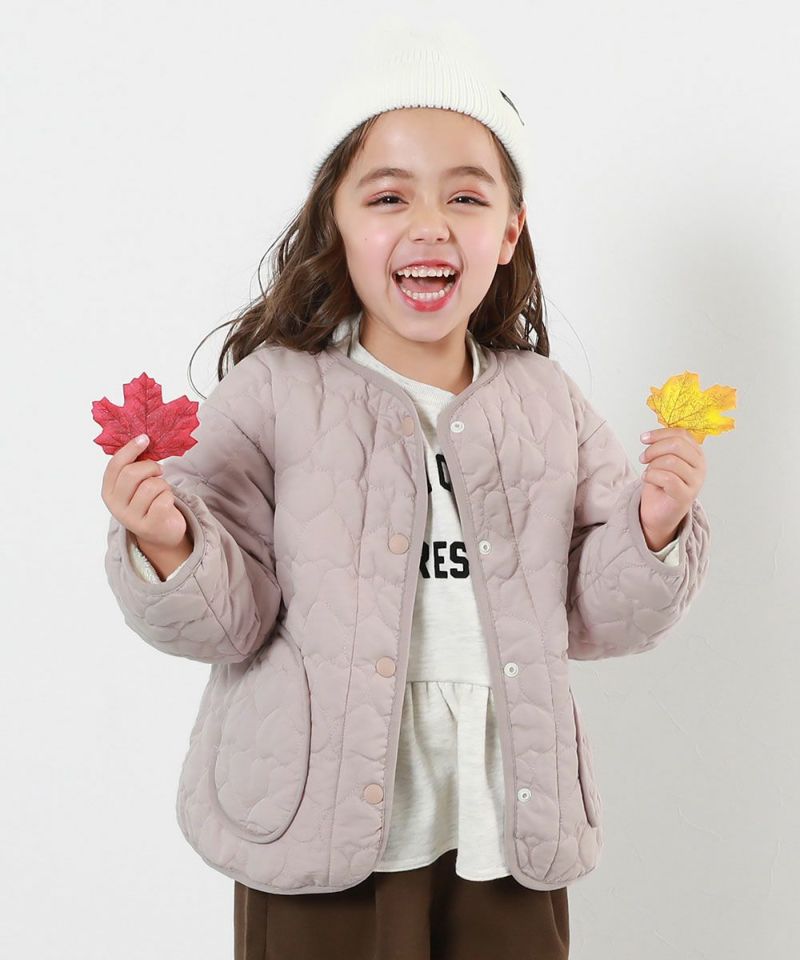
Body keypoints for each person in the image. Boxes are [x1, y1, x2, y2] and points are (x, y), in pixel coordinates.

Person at [100, 21, 711, 960]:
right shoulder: (274, 392)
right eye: (389, 196)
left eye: (466, 197)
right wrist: (168, 546)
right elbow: (228, 621)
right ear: (336, 224)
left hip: (503, 816)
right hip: (313, 819)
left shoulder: (545, 402)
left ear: (509, 231)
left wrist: (654, 528)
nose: (430, 224)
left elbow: (596, 615)